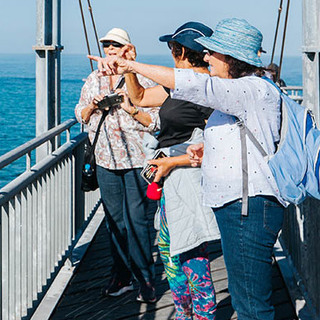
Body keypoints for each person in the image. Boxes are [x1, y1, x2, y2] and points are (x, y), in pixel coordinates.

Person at [89, 17, 288, 320]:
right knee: (241, 291)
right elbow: (148, 98)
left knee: (251, 302)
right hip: (235, 202)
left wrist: (130, 66)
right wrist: (201, 147)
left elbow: (193, 83)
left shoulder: (246, 89)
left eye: (215, 52)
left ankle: (200, 314)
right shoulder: (238, 89)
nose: (207, 57)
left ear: (231, 58)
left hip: (249, 203)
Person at [118, 22, 220, 320]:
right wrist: (129, 68)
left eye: (173, 49)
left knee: (191, 252)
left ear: (183, 52)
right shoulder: (181, 84)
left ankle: (203, 315)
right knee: (169, 249)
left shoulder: (208, 90)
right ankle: (183, 313)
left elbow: (218, 146)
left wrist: (171, 162)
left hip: (189, 177)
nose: (171, 54)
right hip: (171, 180)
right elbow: (139, 98)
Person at [75, 27, 159, 303]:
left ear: (128, 49)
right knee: (115, 221)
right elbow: (81, 113)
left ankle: (145, 277)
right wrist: (94, 107)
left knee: (137, 219)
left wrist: (129, 107)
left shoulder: (142, 77)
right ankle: (121, 274)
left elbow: (156, 118)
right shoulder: (94, 78)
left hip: (137, 160)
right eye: (107, 46)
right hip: (105, 160)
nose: (110, 50)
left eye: (116, 46)